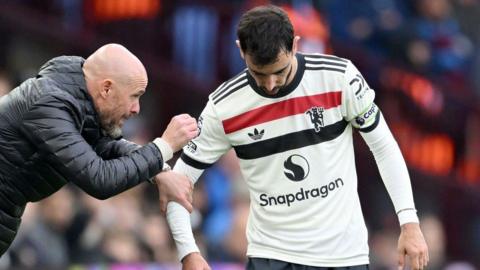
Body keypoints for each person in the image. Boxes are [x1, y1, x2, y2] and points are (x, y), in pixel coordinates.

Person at [159, 5, 430, 270]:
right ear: (240, 49)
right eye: (259, 74)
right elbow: (178, 183)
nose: (270, 84)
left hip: (343, 256)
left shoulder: (338, 78)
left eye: (280, 71)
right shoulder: (225, 106)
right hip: (271, 258)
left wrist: (409, 222)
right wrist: (189, 253)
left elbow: (384, 146)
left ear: (295, 46)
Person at [0, 43, 198, 256]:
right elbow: (99, 179)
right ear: (106, 88)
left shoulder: (76, 99)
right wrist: (163, 147)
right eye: (135, 95)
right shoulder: (49, 102)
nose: (137, 108)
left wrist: (159, 170)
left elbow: (107, 146)